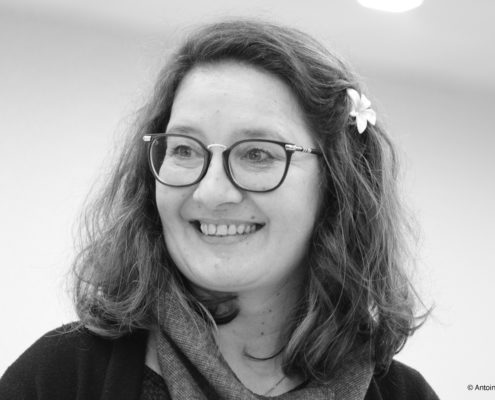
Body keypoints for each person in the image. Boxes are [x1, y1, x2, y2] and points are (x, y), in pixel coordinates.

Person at [0, 19, 439, 399]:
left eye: (257, 154)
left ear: (337, 182)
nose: (210, 192)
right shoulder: (60, 377)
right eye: (184, 149)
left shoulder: (404, 394)